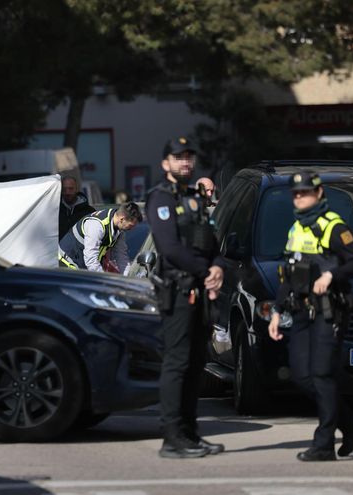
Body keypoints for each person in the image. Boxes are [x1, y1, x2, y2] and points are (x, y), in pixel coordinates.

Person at [267, 171, 353, 462]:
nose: (300, 198)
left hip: (329, 310)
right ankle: (350, 423)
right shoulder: (296, 228)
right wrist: (277, 311)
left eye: (305, 192)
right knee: (302, 376)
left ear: (319, 193)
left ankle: (324, 444)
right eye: (296, 194)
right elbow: (288, 276)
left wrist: (331, 275)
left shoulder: (334, 227)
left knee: (322, 374)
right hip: (301, 310)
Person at [146, 136, 225, 459]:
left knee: (196, 365)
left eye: (189, 157)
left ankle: (190, 434)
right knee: (177, 364)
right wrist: (206, 271)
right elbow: (170, 249)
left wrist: (217, 267)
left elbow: (212, 241)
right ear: (166, 163)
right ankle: (172, 437)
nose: (185, 162)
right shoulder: (160, 198)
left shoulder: (195, 198)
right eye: (179, 157)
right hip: (178, 292)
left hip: (201, 292)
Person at [58, 202, 142, 274]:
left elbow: (121, 256)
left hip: (80, 266)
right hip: (66, 264)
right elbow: (91, 258)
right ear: (122, 219)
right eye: (131, 225)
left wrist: (128, 278)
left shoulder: (119, 230)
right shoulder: (97, 226)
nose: (132, 229)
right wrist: (101, 279)